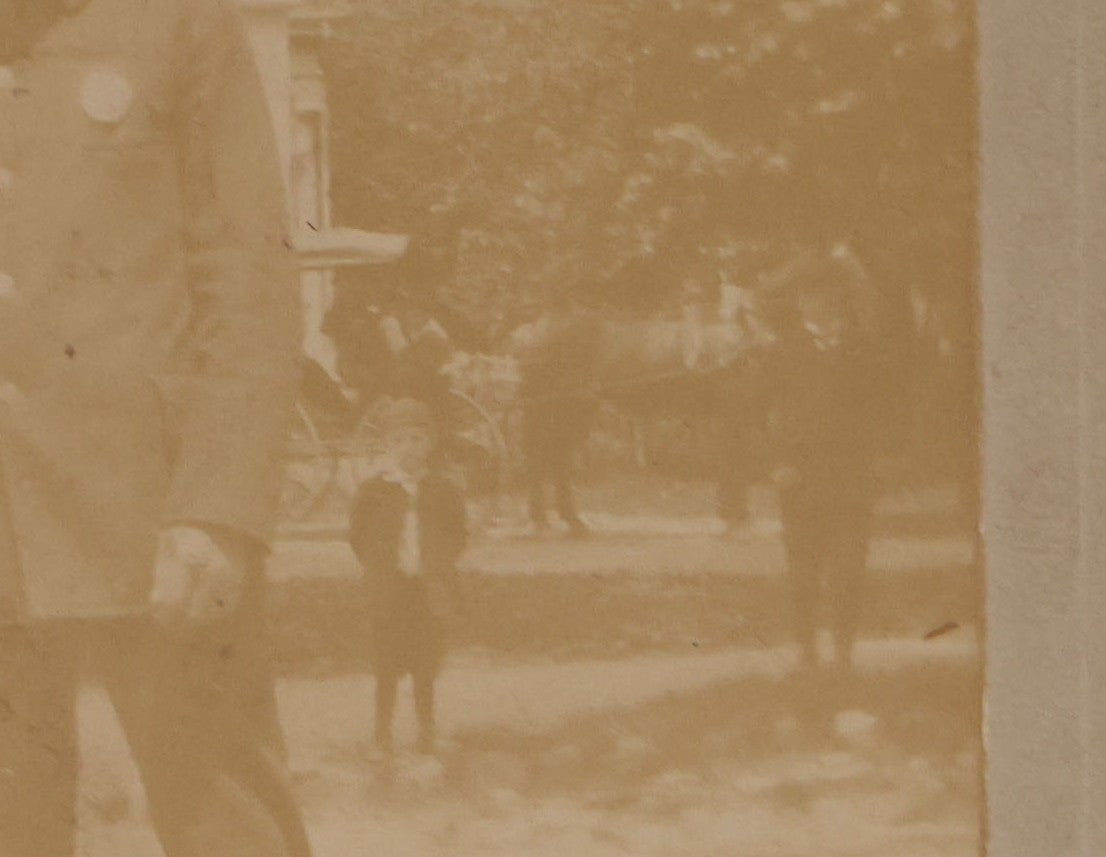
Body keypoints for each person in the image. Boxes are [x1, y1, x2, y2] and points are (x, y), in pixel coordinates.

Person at [0, 2, 312, 855]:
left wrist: (218, 507)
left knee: (228, 825)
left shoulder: (180, 22)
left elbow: (249, 278)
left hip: (153, 512)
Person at [765, 247, 886, 672]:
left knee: (849, 567)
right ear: (799, 302)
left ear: (840, 296)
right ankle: (806, 651)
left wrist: (879, 459)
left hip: (852, 474)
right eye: (809, 293)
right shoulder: (783, 350)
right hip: (801, 476)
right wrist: (780, 461)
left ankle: (843, 652)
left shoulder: (862, 347)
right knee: (804, 567)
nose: (819, 301)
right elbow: (768, 411)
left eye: (827, 292)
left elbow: (880, 409)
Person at [348, 398, 467, 758]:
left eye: (416, 439)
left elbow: (457, 534)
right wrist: (381, 567)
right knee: (386, 665)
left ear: (430, 443)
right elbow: (358, 536)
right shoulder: (374, 491)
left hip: (427, 590)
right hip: (390, 590)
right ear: (387, 446)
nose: (408, 448)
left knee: (425, 665)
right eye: (399, 440)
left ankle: (426, 731)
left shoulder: (442, 489)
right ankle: (381, 734)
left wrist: (437, 564)